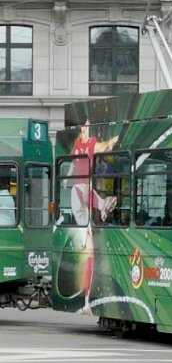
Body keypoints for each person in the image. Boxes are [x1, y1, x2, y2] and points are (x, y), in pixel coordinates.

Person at [66, 118, 119, 315]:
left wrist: (66, 179)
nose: (86, 130)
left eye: (87, 127)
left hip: (80, 194)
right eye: (85, 127)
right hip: (81, 195)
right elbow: (101, 146)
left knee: (89, 252)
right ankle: (86, 301)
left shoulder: (79, 145)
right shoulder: (87, 144)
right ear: (82, 129)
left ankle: (86, 300)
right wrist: (111, 142)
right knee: (89, 252)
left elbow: (72, 165)